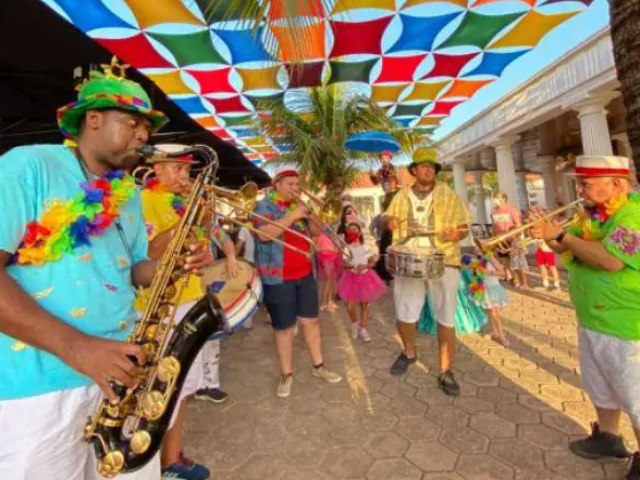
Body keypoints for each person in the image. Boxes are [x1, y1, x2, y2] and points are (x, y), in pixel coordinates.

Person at [0, 59, 212, 480]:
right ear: (92, 120)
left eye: (147, 128)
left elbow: (133, 270)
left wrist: (171, 260)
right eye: (132, 122)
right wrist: (80, 349)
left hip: (123, 375)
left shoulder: (128, 192)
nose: (144, 135)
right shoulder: (27, 167)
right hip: (39, 393)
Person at [530, 155, 640, 480]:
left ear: (617, 184)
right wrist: (546, 232)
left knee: (635, 393)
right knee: (601, 385)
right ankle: (608, 438)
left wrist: (561, 237)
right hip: (592, 318)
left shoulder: (632, 217)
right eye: (581, 182)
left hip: (626, 325)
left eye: (588, 183)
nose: (581, 189)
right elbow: (564, 245)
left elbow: (610, 260)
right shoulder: (590, 217)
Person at [138, 145, 239, 479]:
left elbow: (195, 245)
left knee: (182, 387)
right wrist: (191, 213)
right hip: (162, 305)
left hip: (189, 296)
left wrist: (204, 247)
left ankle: (172, 457)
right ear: (156, 169)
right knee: (163, 386)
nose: (185, 176)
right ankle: (158, 462)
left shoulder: (180, 202)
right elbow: (152, 250)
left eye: (187, 170)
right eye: (176, 169)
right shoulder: (144, 200)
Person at [385, 147, 470, 396]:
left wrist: (459, 233)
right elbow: (385, 219)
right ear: (413, 170)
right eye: (423, 165)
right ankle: (409, 353)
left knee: (446, 316)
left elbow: (464, 226)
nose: (428, 169)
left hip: (443, 259)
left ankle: (446, 370)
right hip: (408, 258)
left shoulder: (449, 194)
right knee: (405, 312)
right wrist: (388, 222)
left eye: (432, 166)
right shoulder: (401, 195)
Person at [253, 168, 342, 398]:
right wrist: (294, 215)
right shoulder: (264, 206)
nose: (296, 189)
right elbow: (264, 234)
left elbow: (317, 232)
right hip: (278, 277)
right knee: (284, 329)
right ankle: (286, 375)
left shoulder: (300, 205)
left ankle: (319, 367)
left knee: (311, 323)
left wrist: (313, 214)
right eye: (291, 184)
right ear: (277, 185)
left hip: (305, 274)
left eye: (297, 184)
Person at [337, 222, 387, 342]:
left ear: (359, 232)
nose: (352, 231)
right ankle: (355, 324)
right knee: (350, 307)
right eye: (350, 230)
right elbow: (344, 264)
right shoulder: (346, 248)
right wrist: (352, 265)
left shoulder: (365, 247)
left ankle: (363, 329)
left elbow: (372, 262)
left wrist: (368, 263)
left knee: (364, 305)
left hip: (366, 278)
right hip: (351, 278)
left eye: (355, 229)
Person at [491, 192, 524, 286]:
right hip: (499, 240)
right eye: (495, 198)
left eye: (497, 198)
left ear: (503, 199)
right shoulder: (494, 211)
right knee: (504, 260)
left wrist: (517, 238)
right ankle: (511, 277)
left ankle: (521, 281)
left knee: (515, 261)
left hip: (511, 239)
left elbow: (518, 225)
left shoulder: (511, 210)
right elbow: (494, 225)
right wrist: (493, 238)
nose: (495, 200)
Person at [235, 221, 256, 328]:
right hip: (268, 263)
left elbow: (239, 246)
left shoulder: (246, 227)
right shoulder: (273, 223)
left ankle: (248, 319)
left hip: (250, 262)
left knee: (249, 290)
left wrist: (232, 258)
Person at [316, 231, 342, 312]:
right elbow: (317, 248)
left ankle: (328, 301)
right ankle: (324, 303)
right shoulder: (321, 236)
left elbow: (337, 248)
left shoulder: (331, 236)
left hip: (331, 259)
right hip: (327, 259)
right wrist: (330, 250)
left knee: (330, 281)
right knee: (328, 280)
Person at [374, 215, 395, 285]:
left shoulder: (386, 231)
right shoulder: (388, 231)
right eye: (393, 222)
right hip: (385, 250)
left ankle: (385, 278)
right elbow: (388, 242)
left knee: (383, 262)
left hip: (383, 249)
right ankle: (385, 278)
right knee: (385, 263)